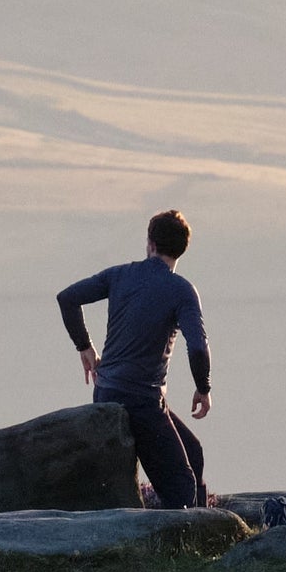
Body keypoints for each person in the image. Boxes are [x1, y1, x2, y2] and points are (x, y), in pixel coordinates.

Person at [60, 210, 212, 509]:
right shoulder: (181, 290)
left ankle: (206, 533)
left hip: (106, 392)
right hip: (141, 402)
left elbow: (67, 298)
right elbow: (197, 346)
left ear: (150, 243)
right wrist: (203, 388)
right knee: (181, 487)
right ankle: (182, 546)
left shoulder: (119, 275)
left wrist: (85, 347)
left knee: (193, 452)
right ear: (182, 248)